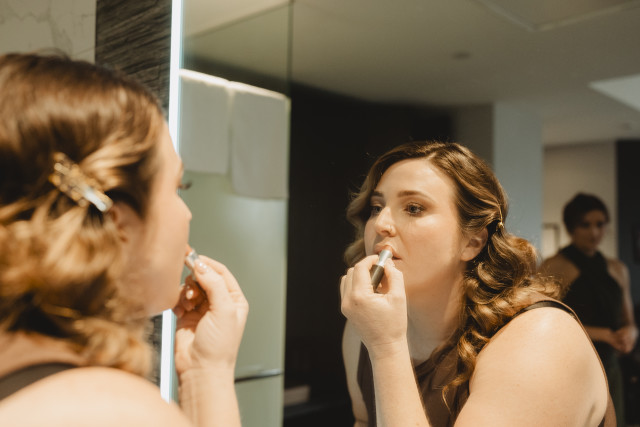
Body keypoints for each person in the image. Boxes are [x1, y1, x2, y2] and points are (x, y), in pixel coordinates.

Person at [0, 53, 248, 426]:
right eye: (178, 187)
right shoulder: (109, 411)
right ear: (115, 221)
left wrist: (204, 373)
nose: (187, 213)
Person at [340, 141, 615, 427]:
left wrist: (386, 347)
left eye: (413, 208)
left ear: (472, 242)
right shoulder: (364, 329)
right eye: (376, 207)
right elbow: (364, 420)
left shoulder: (542, 338)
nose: (381, 224)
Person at [540, 193, 637, 427]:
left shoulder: (617, 269)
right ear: (571, 227)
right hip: (573, 364)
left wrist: (631, 334)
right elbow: (542, 322)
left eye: (600, 224)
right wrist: (601, 334)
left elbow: (629, 321)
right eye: (585, 225)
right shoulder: (554, 266)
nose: (594, 232)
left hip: (611, 364)